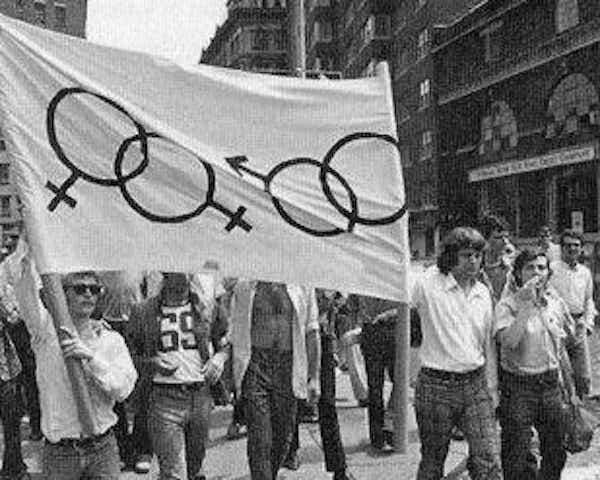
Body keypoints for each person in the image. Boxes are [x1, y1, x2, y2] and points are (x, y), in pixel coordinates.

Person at [15, 266, 137, 479]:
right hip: (61, 453)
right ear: (64, 294)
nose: (88, 294)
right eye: (80, 289)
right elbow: (25, 293)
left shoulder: (110, 340)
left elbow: (123, 390)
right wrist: (27, 249)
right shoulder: (46, 334)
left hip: (102, 449)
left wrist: (91, 359)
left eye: (94, 289)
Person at [411, 227, 502, 480]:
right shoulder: (428, 283)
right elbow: (403, 303)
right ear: (451, 256)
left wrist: (492, 387)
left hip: (474, 385)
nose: (473, 261)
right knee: (433, 459)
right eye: (465, 255)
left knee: (489, 457)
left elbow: (487, 343)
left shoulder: (483, 293)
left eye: (477, 255)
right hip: (435, 385)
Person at [128, 272, 230, 480]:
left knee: (195, 467)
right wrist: (152, 363)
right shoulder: (143, 311)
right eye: (177, 271)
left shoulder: (206, 308)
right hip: (163, 396)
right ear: (165, 273)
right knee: (174, 472)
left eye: (187, 271)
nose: (183, 276)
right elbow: (129, 354)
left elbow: (226, 342)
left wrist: (218, 360)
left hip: (199, 394)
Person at [495, 247, 577, 480]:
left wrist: (569, 389)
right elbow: (508, 342)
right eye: (529, 267)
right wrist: (525, 306)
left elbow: (560, 348)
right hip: (519, 386)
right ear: (518, 274)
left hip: (550, 384)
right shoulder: (507, 305)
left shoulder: (554, 303)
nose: (536, 272)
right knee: (516, 451)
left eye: (541, 267)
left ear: (548, 274)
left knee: (556, 450)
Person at [231, 280, 320, 480]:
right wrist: (231, 375)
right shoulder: (245, 286)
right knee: (259, 438)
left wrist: (314, 377)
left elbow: (312, 331)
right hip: (256, 365)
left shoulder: (302, 284)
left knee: (283, 438)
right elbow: (234, 331)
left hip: (288, 366)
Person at [283, 289, 350, 480]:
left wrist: (330, 302)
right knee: (293, 397)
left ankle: (338, 467)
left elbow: (341, 296)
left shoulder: (327, 269)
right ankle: (290, 450)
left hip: (322, 336)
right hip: (294, 335)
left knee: (327, 404)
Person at [549, 229, 595, 398]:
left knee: (583, 377)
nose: (572, 249)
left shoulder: (585, 273)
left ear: (581, 248)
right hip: (557, 326)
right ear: (561, 248)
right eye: (567, 245)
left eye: (576, 245)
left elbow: (589, 300)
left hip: (578, 326)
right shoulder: (551, 269)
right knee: (562, 377)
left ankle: (584, 418)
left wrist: (588, 324)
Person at [355, 293, 399, 452]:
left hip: (393, 331)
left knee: (399, 383)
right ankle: (378, 436)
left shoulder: (397, 274)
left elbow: (408, 306)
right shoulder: (366, 279)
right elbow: (355, 306)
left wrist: (388, 315)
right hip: (373, 333)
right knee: (375, 388)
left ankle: (390, 425)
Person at [0, 306, 28, 479]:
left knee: (11, 423)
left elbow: (13, 319)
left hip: (6, 372)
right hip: (6, 372)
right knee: (11, 424)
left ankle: (14, 467)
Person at [479, 214, 516, 302]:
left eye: (506, 237)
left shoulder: (512, 270)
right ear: (485, 240)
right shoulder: (475, 271)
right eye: (499, 237)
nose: (505, 242)